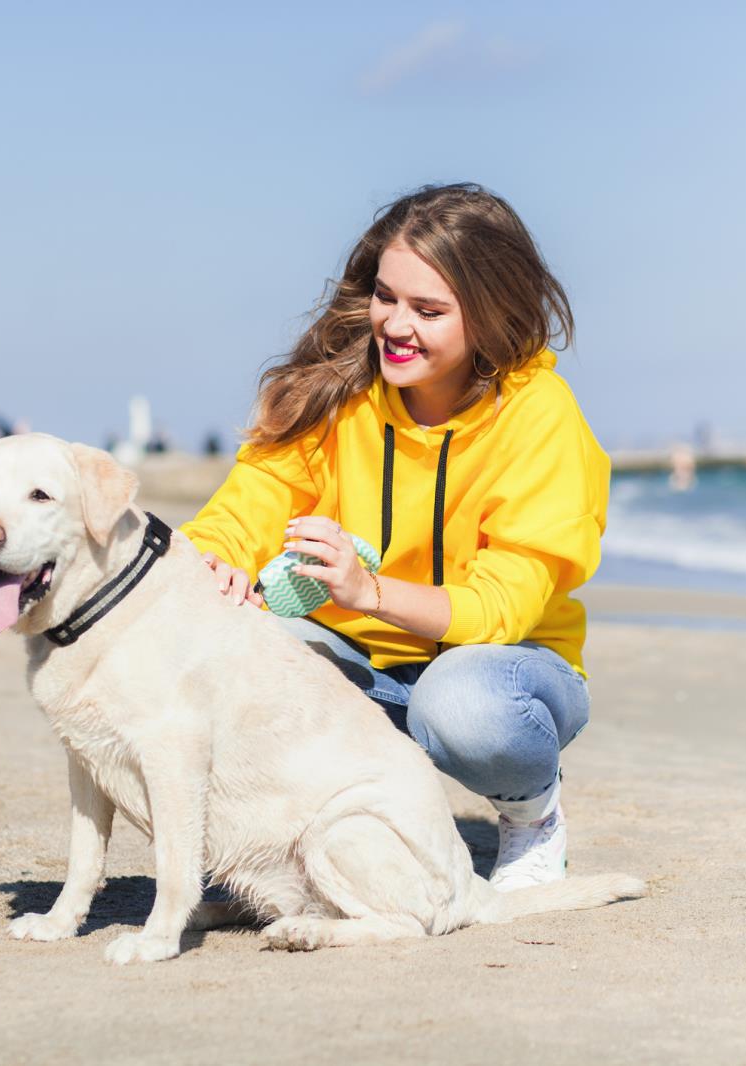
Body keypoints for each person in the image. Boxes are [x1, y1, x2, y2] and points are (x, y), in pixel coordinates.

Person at [182, 183, 609, 892]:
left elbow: (502, 606)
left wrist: (368, 590)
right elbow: (253, 499)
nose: (395, 325)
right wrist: (215, 559)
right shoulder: (332, 390)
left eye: (429, 310)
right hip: (358, 671)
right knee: (235, 644)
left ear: (490, 314)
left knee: (459, 703)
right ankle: (277, 852)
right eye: (387, 297)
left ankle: (533, 817)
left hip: (502, 673)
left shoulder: (540, 414)